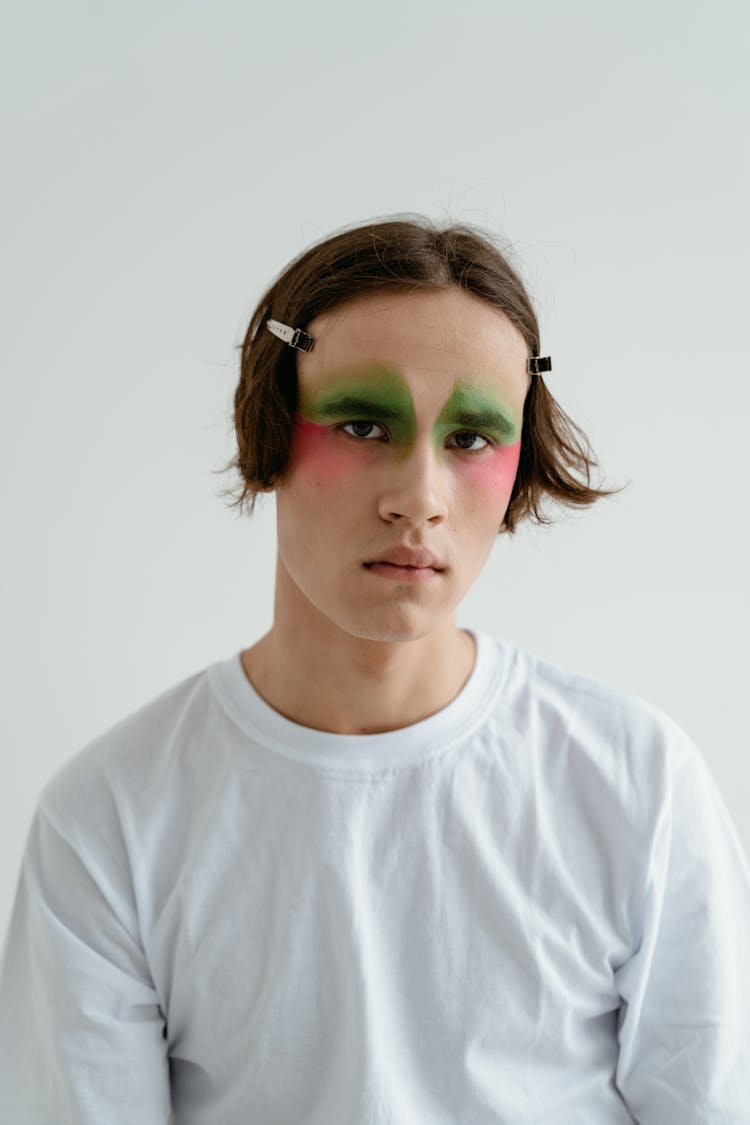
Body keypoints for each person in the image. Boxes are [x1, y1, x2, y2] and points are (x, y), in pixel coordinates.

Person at [1, 215, 749, 1124]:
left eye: (472, 438)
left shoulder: (638, 783)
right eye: (363, 422)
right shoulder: (110, 819)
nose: (420, 500)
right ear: (270, 429)